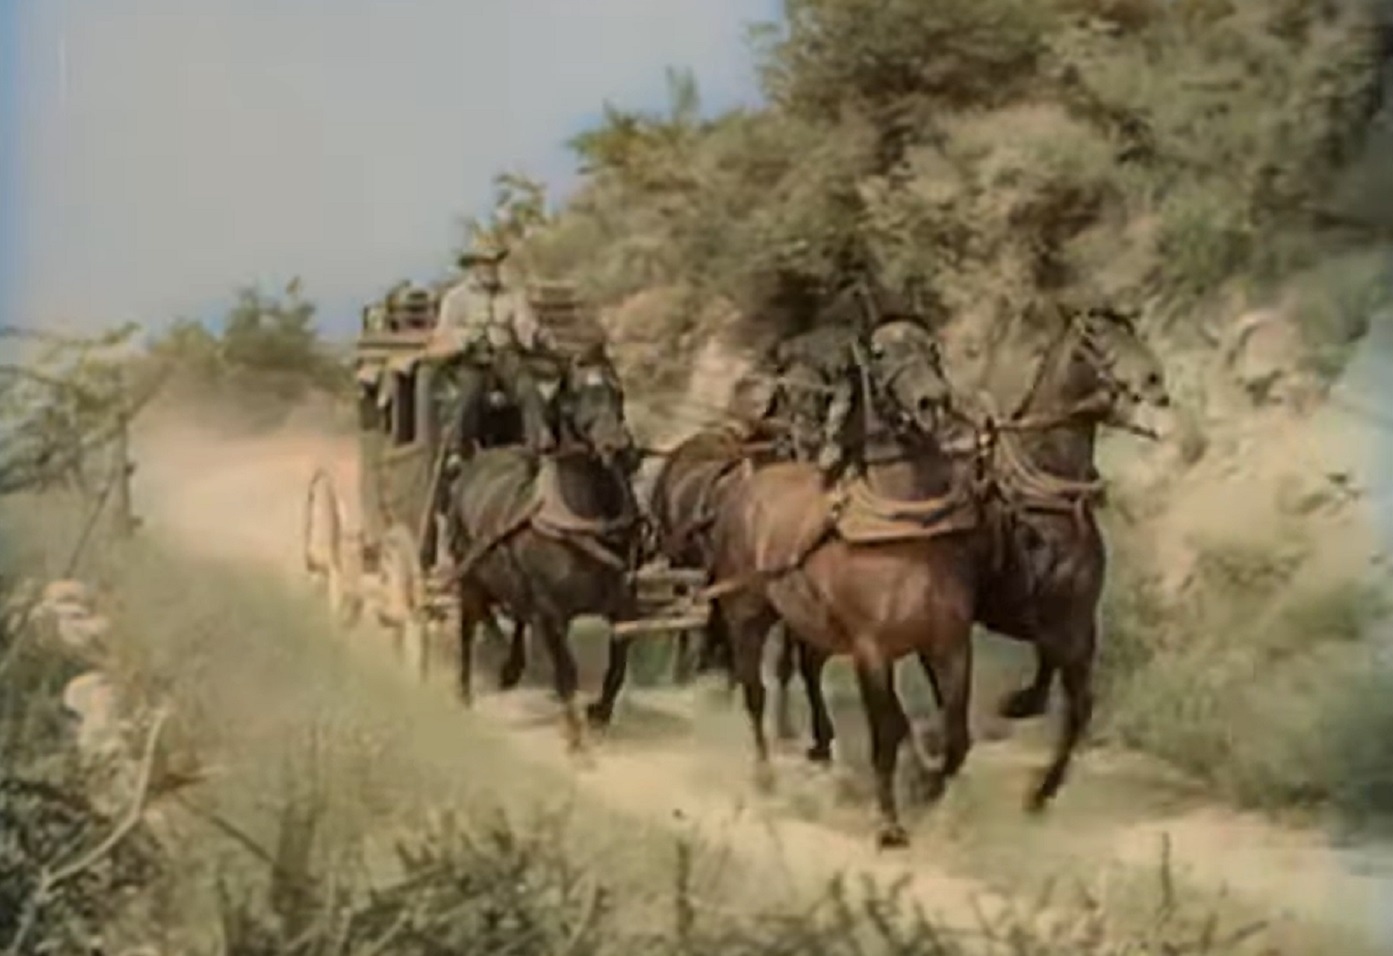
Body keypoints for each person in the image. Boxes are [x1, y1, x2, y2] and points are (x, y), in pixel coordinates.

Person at [431, 241, 558, 456]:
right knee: (469, 394)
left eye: (493, 264)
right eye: (485, 264)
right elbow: (444, 333)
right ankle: (457, 445)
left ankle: (539, 437)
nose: (490, 270)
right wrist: (465, 338)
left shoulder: (512, 294)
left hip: (505, 355)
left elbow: (523, 321)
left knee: (526, 387)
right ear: (474, 267)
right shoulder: (456, 298)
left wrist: (536, 334)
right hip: (472, 359)